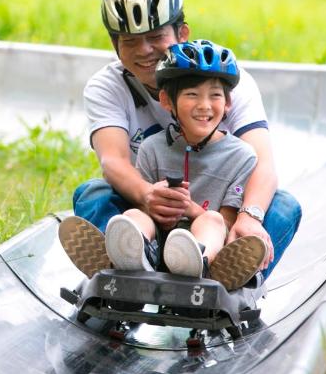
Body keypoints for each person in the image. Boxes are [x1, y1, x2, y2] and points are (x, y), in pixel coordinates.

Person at [58, 0, 301, 279]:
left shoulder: (224, 84)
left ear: (182, 33)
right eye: (130, 41)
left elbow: (263, 164)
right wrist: (148, 196)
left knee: (283, 206)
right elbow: (113, 161)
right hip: (149, 213)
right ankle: (119, 270)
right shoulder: (106, 86)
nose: (145, 51)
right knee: (92, 193)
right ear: (114, 44)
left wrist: (250, 216)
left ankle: (224, 280)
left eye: (156, 36)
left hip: (217, 219)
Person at [100, 39, 268, 290]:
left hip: (207, 244)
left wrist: (190, 209)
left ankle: (197, 264)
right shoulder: (152, 147)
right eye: (192, 95)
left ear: (228, 104)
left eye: (215, 95)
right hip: (158, 242)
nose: (204, 105)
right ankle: (127, 257)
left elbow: (228, 222)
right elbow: (142, 206)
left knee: (211, 220)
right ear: (167, 101)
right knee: (133, 215)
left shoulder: (242, 156)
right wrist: (156, 210)